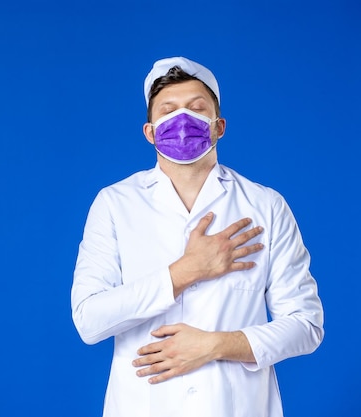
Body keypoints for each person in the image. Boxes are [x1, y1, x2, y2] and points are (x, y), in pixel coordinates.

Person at [70, 56, 324, 417]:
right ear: (151, 132)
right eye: (168, 111)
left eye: (196, 108)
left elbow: (306, 324)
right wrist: (185, 272)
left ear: (218, 126)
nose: (182, 120)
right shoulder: (114, 204)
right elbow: (89, 320)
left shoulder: (265, 205)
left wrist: (216, 345)